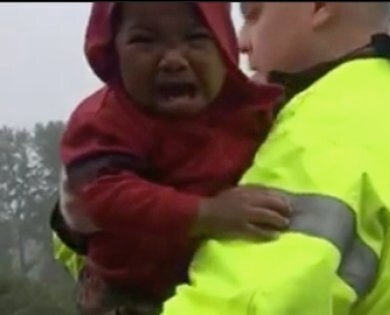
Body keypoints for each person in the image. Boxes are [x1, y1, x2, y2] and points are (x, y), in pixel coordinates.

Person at [161, 2, 390, 315]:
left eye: (254, 15)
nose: (242, 42)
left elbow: (249, 304)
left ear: (319, 7)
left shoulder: (331, 126)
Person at [50, 2, 293, 314]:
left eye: (195, 38)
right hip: (128, 294)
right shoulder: (104, 121)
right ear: (112, 53)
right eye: (144, 41)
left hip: (217, 281)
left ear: (225, 48)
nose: (173, 60)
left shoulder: (250, 108)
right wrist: (209, 213)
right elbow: (106, 197)